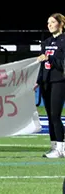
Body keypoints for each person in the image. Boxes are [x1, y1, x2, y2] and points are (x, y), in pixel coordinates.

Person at [37, 13, 65, 158]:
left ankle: (61, 147)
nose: (49, 25)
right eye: (48, 22)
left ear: (60, 24)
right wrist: (37, 81)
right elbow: (42, 65)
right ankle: (55, 146)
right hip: (46, 82)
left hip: (59, 81)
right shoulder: (46, 41)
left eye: (52, 22)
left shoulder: (64, 41)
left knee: (55, 115)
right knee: (50, 115)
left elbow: (62, 64)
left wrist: (50, 58)